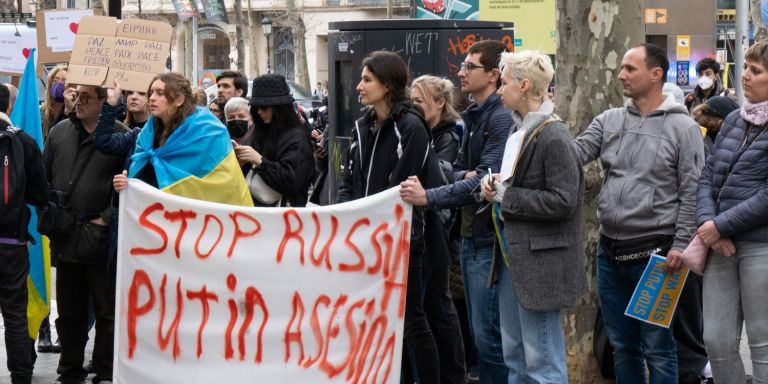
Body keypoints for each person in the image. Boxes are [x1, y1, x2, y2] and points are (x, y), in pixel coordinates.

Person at [574, 43, 704, 384]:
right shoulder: (609, 119)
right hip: (609, 253)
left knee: (658, 348)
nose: (621, 74)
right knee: (622, 346)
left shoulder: (685, 128)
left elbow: (692, 192)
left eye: (630, 68)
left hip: (658, 258)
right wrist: (539, 130)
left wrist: (680, 245)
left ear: (656, 74)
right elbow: (571, 155)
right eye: (621, 68)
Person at [399, 40, 512, 384]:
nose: (461, 72)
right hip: (467, 236)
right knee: (476, 331)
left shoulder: (500, 117)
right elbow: (457, 170)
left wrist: (430, 195)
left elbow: (483, 179)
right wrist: (465, 176)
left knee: (488, 339)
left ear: (493, 75)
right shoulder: (477, 116)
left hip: (485, 238)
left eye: (469, 67)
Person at [481, 50, 586, 383]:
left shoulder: (554, 136)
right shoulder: (521, 131)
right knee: (517, 360)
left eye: (505, 82)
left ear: (525, 86)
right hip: (518, 261)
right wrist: (494, 186)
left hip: (539, 265)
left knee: (542, 364)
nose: (498, 89)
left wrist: (506, 195)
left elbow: (564, 201)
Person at [338, 50, 440, 384]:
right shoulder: (362, 126)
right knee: (375, 318)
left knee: (412, 321)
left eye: (367, 80)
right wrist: (346, 216)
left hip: (403, 240)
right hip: (365, 240)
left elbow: (403, 184)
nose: (358, 87)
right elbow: (349, 181)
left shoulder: (411, 126)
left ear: (387, 84)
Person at [44, 84, 129, 384]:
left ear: (103, 102)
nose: (77, 102)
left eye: (85, 97)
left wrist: (107, 218)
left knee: (106, 312)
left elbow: (127, 187)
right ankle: (69, 370)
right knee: (69, 313)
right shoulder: (59, 132)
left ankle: (105, 370)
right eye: (75, 95)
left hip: (101, 239)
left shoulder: (119, 134)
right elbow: (46, 174)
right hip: (66, 237)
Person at [696, 40, 768, 384]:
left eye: (756, 71)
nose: (745, 77)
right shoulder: (736, 121)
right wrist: (708, 225)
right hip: (719, 246)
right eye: (746, 68)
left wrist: (719, 225)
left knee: (763, 345)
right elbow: (707, 176)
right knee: (716, 341)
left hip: (760, 248)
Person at [113, 73, 252, 207]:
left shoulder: (208, 130)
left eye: (160, 93)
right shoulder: (146, 134)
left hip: (199, 218)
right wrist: (128, 184)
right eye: (152, 92)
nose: (152, 98)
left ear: (179, 100)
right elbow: (144, 174)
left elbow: (222, 183)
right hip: (158, 217)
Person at [409, 74, 466, 384]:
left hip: (439, 236)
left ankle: (453, 374)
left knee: (440, 311)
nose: (414, 106)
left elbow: (442, 181)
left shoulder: (447, 137)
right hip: (433, 233)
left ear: (439, 103)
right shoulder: (425, 133)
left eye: (420, 100)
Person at [0, 118, 48, 384]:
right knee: (15, 313)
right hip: (11, 243)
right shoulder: (24, 141)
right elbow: (40, 194)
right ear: (7, 107)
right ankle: (21, 375)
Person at [233, 74, 314, 207]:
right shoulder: (257, 132)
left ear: (279, 108)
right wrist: (242, 162)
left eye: (264, 107)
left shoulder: (297, 138)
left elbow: (292, 181)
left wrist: (259, 161)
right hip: (256, 213)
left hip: (286, 217)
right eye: (256, 107)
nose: (259, 112)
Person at [41, 66, 71, 139]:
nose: (59, 84)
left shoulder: (74, 114)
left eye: (64, 81)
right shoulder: (41, 112)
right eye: (55, 81)